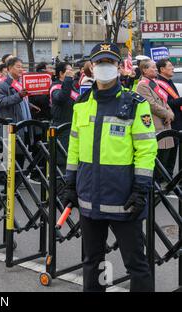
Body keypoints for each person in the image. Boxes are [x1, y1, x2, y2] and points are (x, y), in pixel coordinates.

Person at [63, 42, 157, 292]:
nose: (105, 67)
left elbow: (147, 150)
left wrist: (140, 189)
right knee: (92, 263)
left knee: (136, 265)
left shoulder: (135, 104)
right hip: (89, 200)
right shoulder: (81, 104)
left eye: (110, 62)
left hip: (125, 200)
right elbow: (73, 148)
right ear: (91, 68)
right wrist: (69, 184)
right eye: (100, 63)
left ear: (119, 67)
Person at [0, 57, 33, 185]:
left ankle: (16, 183)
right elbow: (0, 101)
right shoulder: (3, 84)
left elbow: (21, 102)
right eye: (18, 66)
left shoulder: (21, 82)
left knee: (20, 154)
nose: (21, 69)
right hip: (9, 126)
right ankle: (3, 185)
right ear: (9, 68)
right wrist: (19, 96)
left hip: (23, 124)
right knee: (6, 156)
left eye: (22, 66)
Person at [136, 59, 175, 183]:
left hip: (165, 123)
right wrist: (167, 113)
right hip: (156, 124)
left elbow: (164, 101)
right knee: (157, 162)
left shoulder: (154, 83)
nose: (155, 69)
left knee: (164, 158)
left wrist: (170, 113)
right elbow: (151, 104)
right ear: (144, 70)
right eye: (152, 67)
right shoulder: (142, 84)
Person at [50, 61, 80, 171]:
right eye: (69, 70)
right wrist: (68, 80)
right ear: (61, 73)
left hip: (72, 127)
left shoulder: (71, 86)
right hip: (61, 129)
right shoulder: (55, 87)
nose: (71, 73)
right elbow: (61, 98)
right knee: (62, 160)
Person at [156, 58, 182, 177]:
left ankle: (171, 179)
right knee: (167, 155)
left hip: (177, 122)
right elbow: (167, 104)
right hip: (169, 123)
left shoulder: (169, 82)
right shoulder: (159, 84)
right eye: (170, 66)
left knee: (174, 154)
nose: (173, 68)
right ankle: (164, 180)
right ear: (162, 69)